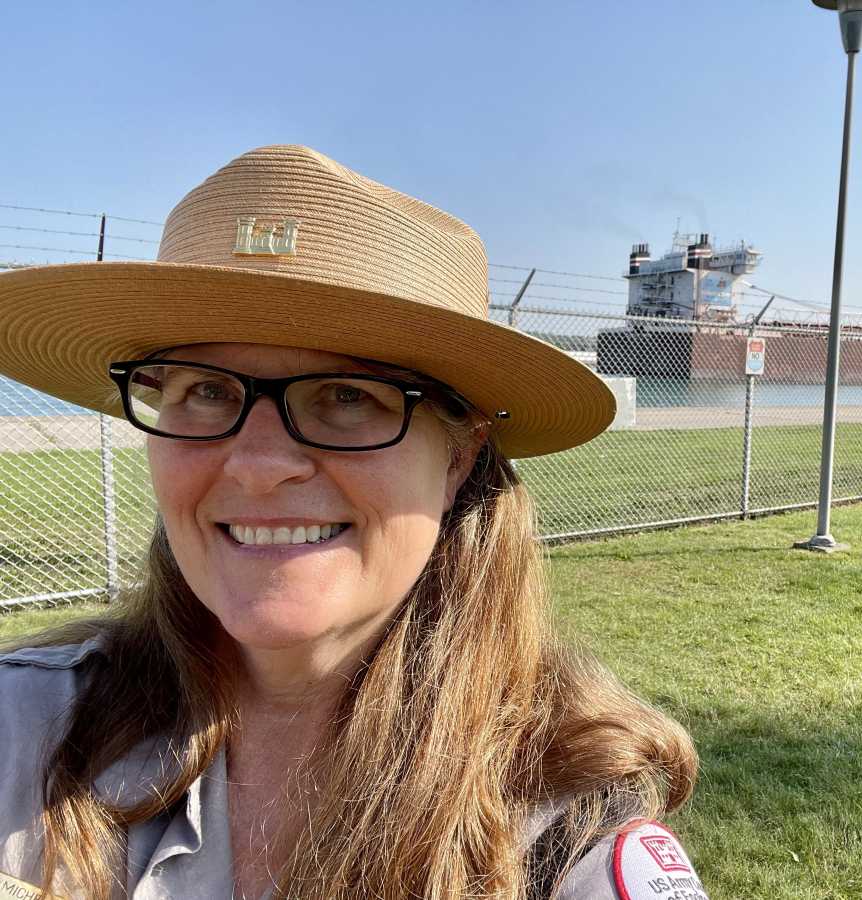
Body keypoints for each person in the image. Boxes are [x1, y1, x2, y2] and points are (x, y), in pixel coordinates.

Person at [0, 146, 707, 900]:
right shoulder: (23, 731)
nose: (258, 463)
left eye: (346, 395)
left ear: (457, 460)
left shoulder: (563, 838)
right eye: (206, 389)